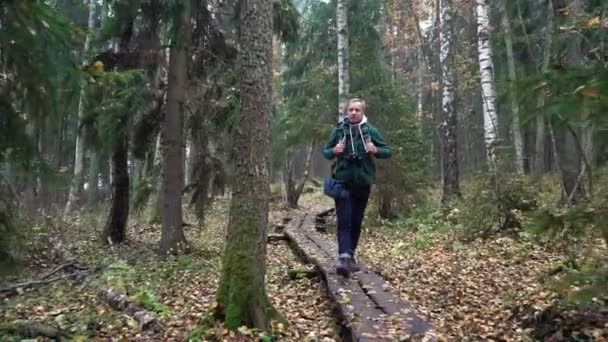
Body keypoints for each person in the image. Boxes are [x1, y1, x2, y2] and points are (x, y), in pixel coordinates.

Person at [322, 98, 392, 277]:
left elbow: (387, 151)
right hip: (343, 182)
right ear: (347, 112)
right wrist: (334, 151)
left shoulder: (371, 131)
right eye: (351, 110)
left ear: (363, 112)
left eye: (357, 110)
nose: (353, 113)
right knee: (344, 220)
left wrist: (375, 149)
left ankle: (350, 256)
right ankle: (344, 258)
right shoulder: (339, 130)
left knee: (356, 221)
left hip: (363, 183)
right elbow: (325, 152)